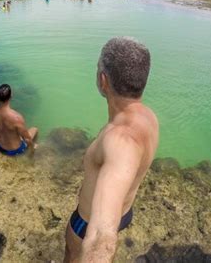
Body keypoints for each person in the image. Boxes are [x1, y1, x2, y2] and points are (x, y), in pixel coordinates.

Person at [64, 37, 159, 262]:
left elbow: (100, 237)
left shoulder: (120, 139)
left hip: (86, 225)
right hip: (124, 214)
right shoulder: (149, 117)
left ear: (103, 79)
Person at [0, 84, 38, 156]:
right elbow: (27, 139)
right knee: (34, 129)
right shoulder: (16, 118)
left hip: (1, 147)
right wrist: (32, 148)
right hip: (16, 150)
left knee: (14, 132)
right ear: (11, 97)